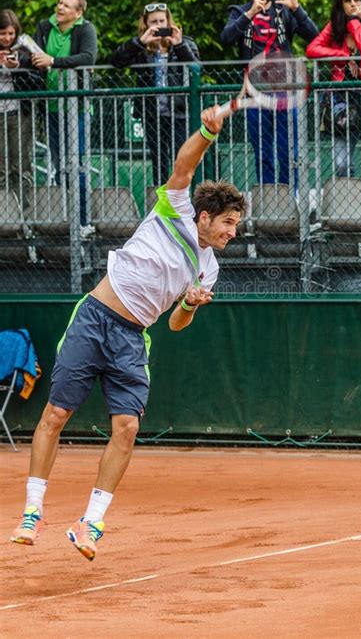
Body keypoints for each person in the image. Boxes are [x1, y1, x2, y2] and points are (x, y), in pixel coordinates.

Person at [10, 106, 245, 561]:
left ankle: (90, 522)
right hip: (95, 317)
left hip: (132, 339)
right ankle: (32, 512)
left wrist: (190, 306)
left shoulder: (208, 268)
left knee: (128, 427)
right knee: (56, 415)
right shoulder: (173, 208)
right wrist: (206, 131)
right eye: (228, 223)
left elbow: (176, 324)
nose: (233, 232)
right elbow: (184, 166)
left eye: (236, 225)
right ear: (203, 217)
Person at [220, 0, 318, 186]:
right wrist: (251, 13)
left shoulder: (284, 11)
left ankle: (288, 199)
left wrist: (297, 8)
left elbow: (314, 36)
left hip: (285, 90)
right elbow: (226, 38)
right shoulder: (239, 11)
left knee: (288, 151)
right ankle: (267, 200)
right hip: (254, 90)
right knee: (263, 152)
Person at [306, 0, 361, 218]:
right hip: (341, 104)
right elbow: (312, 49)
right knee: (342, 163)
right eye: (347, 1)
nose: (353, 4)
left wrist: (354, 23)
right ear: (340, 5)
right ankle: (350, 215)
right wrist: (342, 55)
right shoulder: (334, 30)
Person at [111, 2, 200, 186]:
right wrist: (139, 42)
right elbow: (116, 61)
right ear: (146, 24)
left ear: (169, 21)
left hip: (179, 110)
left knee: (181, 157)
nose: (159, 25)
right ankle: (162, 201)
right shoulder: (141, 47)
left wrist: (180, 44)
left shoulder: (184, 42)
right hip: (152, 112)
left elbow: (198, 69)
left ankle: (182, 199)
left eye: (162, 20)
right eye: (154, 21)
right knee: (159, 158)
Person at [32, 0, 98, 232]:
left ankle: (83, 220)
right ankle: (68, 219)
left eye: (67, 6)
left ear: (78, 12)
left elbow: (88, 58)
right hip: (51, 105)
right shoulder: (44, 26)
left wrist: (53, 61)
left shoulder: (85, 29)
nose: (60, 8)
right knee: (59, 163)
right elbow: (35, 57)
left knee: (76, 162)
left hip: (77, 107)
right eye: (60, 3)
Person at [0, 9, 40, 213]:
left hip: (19, 114)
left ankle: (25, 217)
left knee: (21, 166)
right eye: (2, 33)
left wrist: (17, 70)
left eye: (11, 33)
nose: (7, 38)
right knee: (2, 170)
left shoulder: (25, 51)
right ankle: (5, 216)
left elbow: (37, 84)